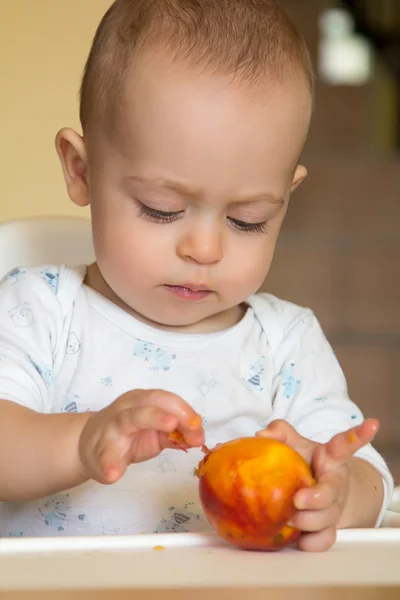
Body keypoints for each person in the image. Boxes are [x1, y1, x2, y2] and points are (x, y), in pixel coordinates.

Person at [0, 0, 392, 551]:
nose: (205, 249)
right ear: (81, 169)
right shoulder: (36, 312)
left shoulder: (284, 345)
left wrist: (339, 493)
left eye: (246, 219)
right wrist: (81, 442)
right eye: (162, 209)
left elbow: (369, 475)